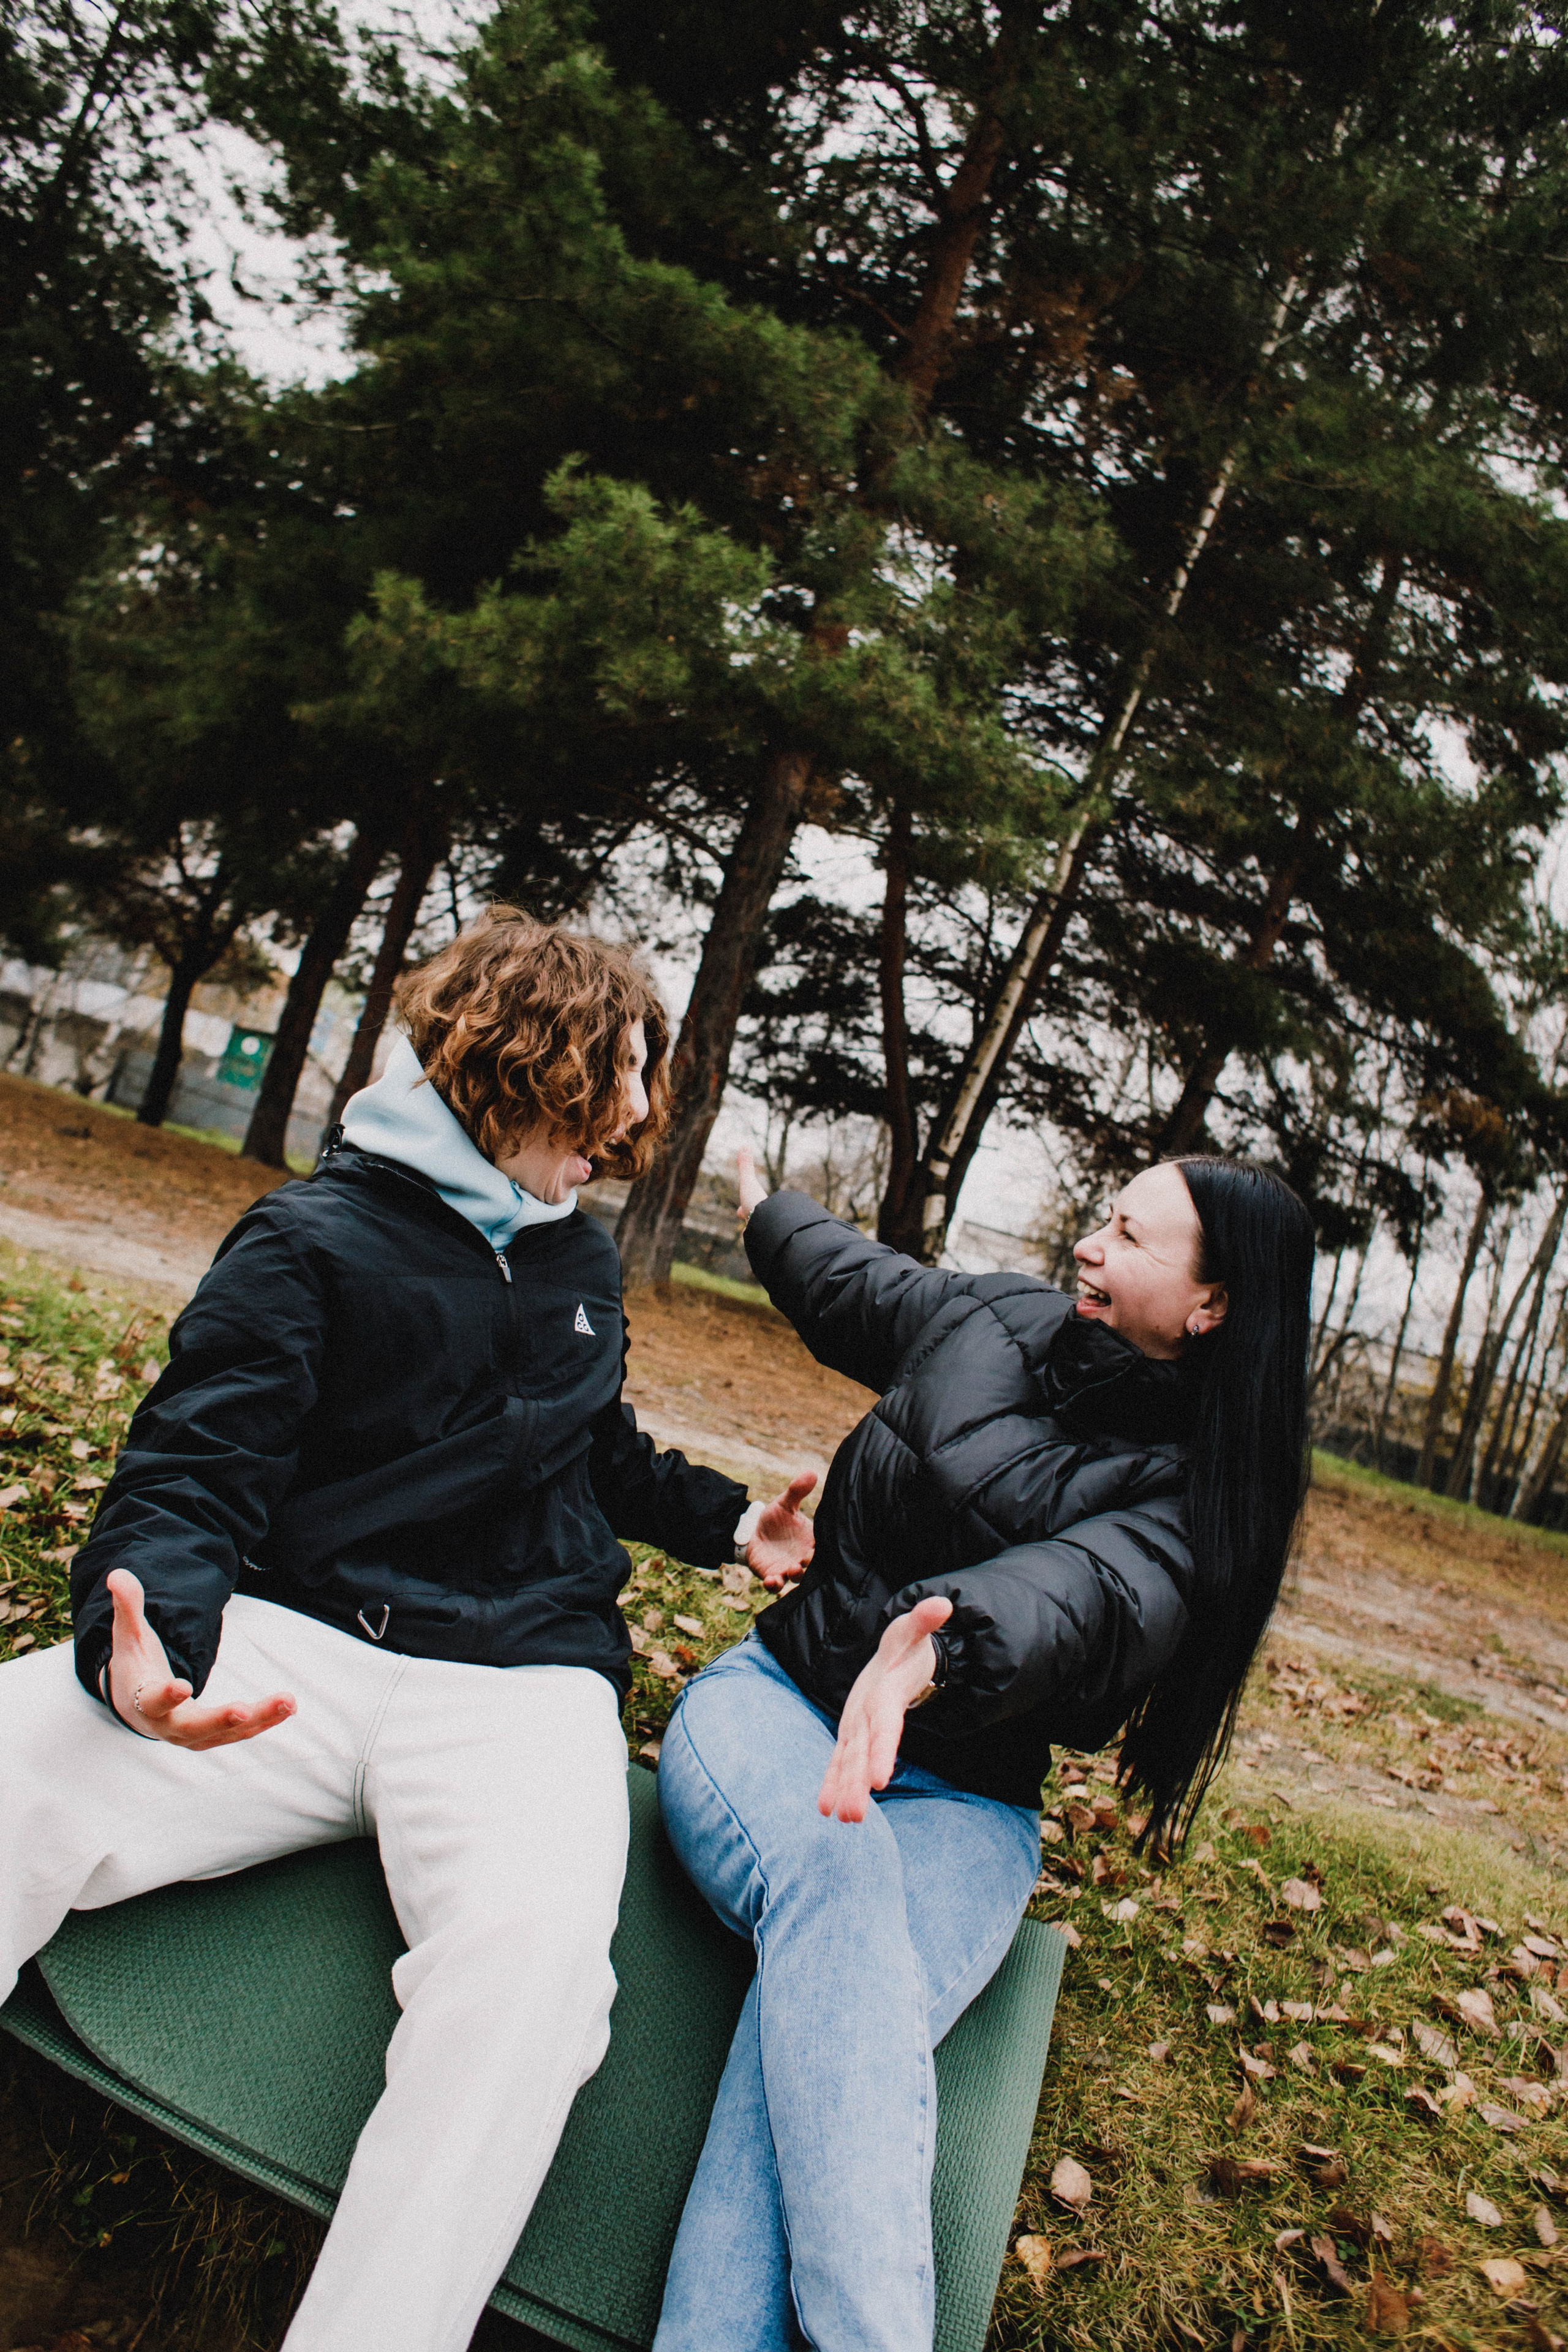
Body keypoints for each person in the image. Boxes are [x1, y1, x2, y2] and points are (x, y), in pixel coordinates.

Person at [0, 908, 816, 2352]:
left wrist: (723, 1520)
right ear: (519, 1071)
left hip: (518, 1690)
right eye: (610, 1081)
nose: (629, 1121)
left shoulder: (572, 1258)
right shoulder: (310, 1241)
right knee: (14, 1755)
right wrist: (143, 1656)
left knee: (537, 1977)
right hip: (297, 1648)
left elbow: (591, 1444)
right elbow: (192, 1471)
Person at [654, 1148, 1316, 2352]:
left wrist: (931, 1655)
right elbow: (849, 1279)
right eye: (1098, 1218)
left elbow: (1076, 1597)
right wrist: (763, 1207)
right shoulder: (994, 1317)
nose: (1087, 1244)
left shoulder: (1193, 1502)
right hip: (778, 1709)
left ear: (1210, 1307)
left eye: (1127, 1235)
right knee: (838, 1885)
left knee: (799, 2043)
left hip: (968, 1805)